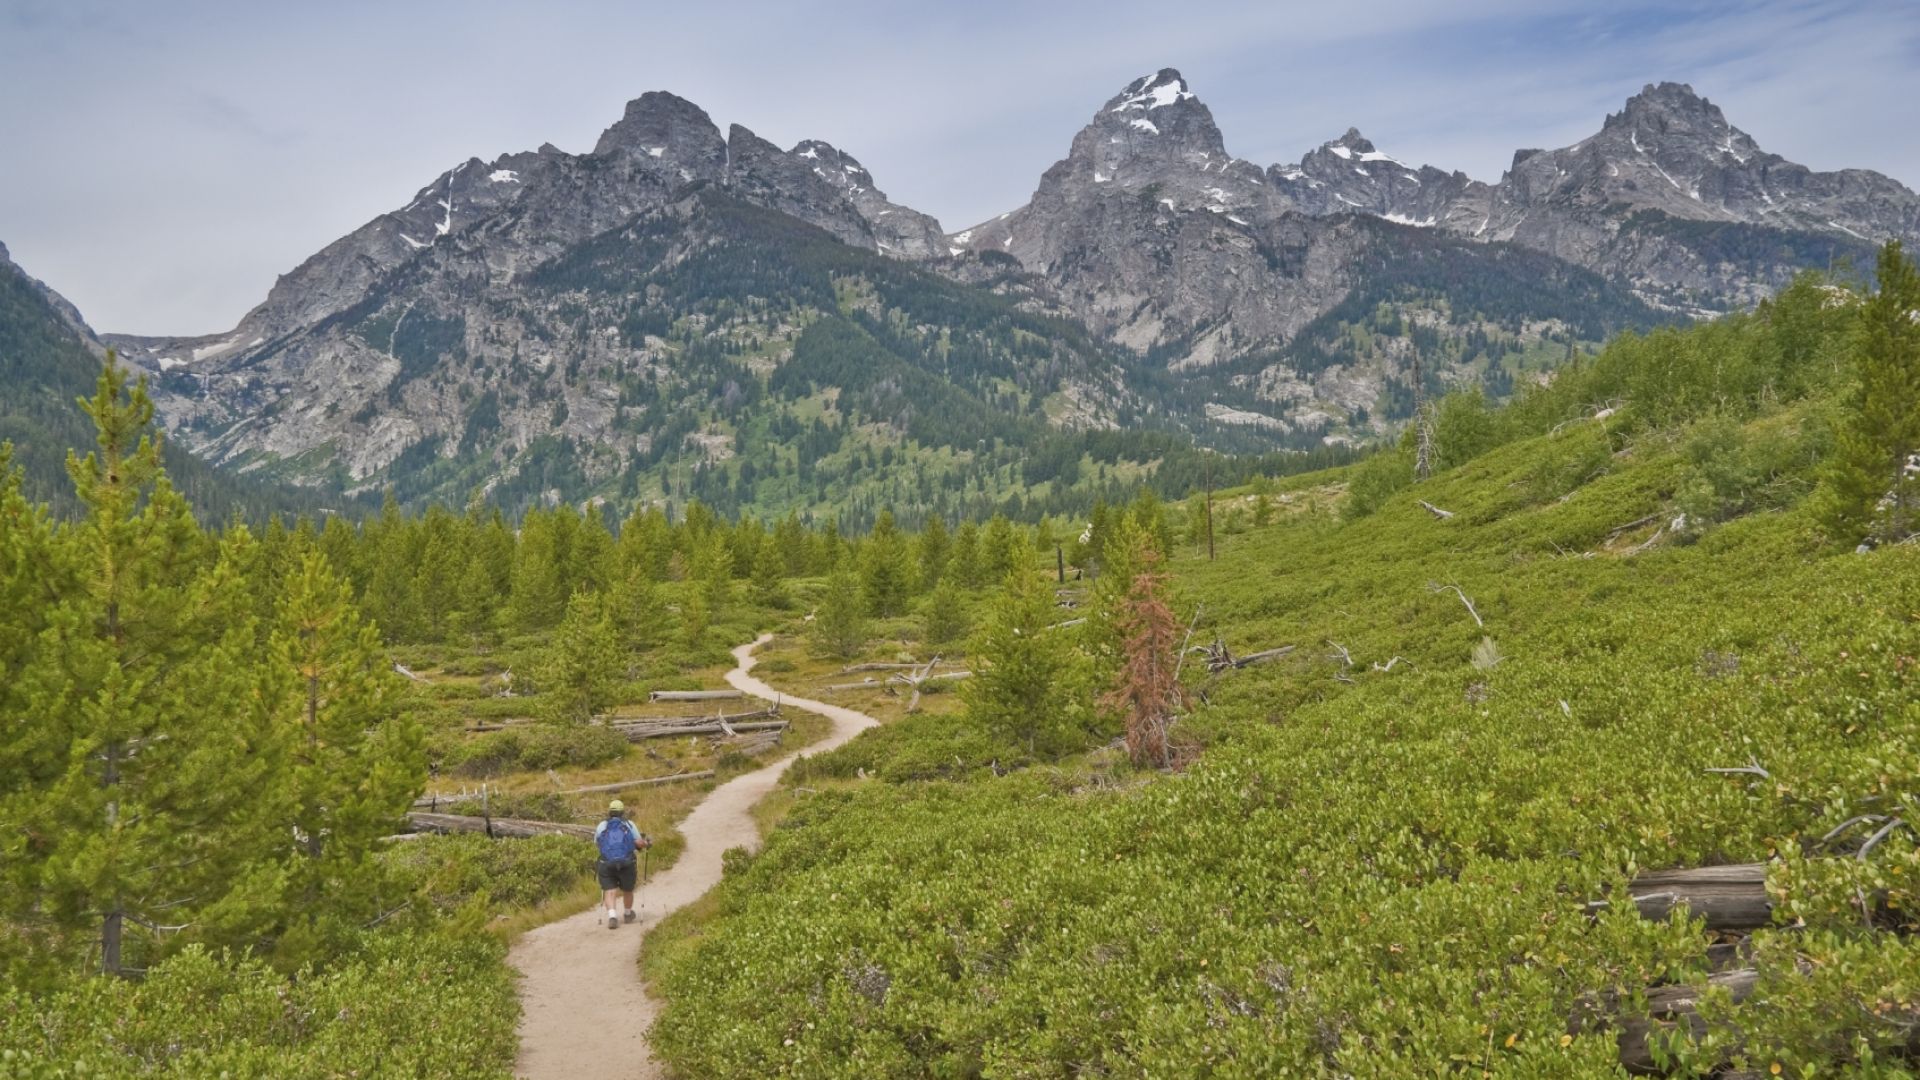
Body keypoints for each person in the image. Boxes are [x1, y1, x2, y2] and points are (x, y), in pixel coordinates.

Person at [594, 799, 652, 929]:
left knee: (609, 890)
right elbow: (638, 842)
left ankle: (612, 916)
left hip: (606, 863)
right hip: (627, 862)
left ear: (610, 812)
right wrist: (647, 843)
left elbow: (598, 843)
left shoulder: (602, 825)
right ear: (622, 812)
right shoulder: (629, 824)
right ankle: (627, 914)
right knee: (627, 889)